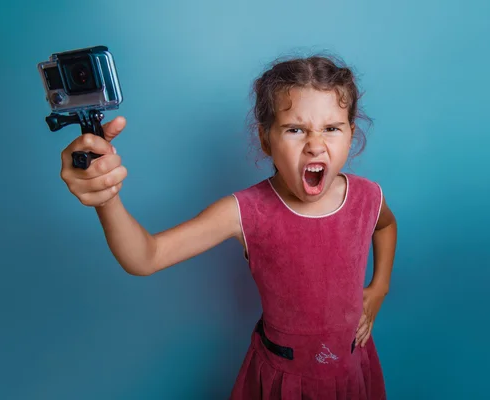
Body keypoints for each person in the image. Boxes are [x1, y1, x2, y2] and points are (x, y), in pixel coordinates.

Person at [59, 54, 397, 399]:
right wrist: (106, 199)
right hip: (282, 384)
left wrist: (379, 288)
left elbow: (385, 227)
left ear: (351, 135)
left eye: (331, 128)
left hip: (351, 373)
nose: (315, 144)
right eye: (295, 129)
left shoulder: (367, 197)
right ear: (266, 139)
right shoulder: (245, 211)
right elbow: (145, 257)